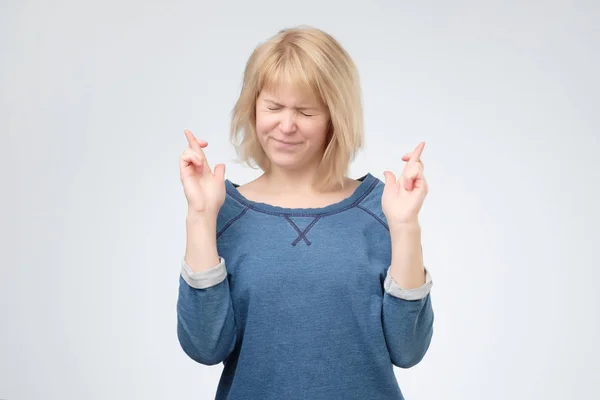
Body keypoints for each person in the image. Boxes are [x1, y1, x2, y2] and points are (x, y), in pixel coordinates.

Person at [176, 26, 434, 400]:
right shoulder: (222, 210)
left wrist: (406, 226)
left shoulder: (383, 209)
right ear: (253, 107)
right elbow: (205, 347)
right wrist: (200, 216)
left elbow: (408, 351)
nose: (286, 125)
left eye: (305, 111)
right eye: (274, 107)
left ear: (335, 117)